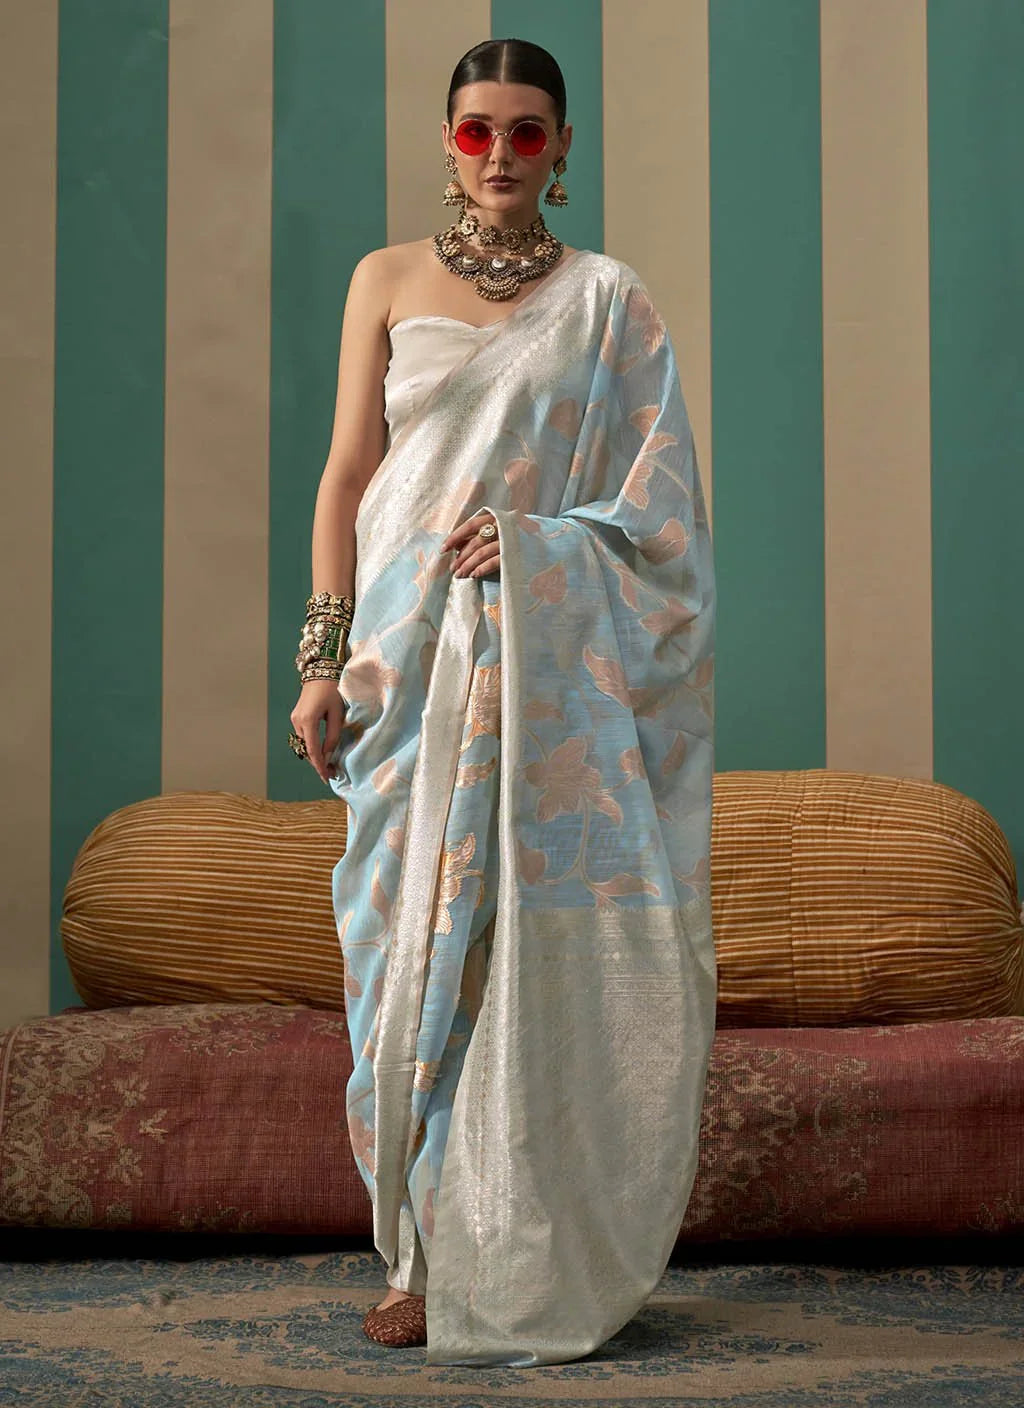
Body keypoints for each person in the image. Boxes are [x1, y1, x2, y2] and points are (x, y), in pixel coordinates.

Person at [288, 36, 717, 1368]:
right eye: (477, 130)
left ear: (563, 149)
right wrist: (321, 657)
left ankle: (508, 1249)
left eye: (527, 133)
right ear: (448, 138)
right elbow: (349, 475)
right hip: (401, 663)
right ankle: (416, 1249)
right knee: (398, 955)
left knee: (510, 954)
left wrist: (543, 550)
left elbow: (663, 519)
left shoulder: (608, 300)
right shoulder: (384, 279)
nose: (500, 156)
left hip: (538, 678)